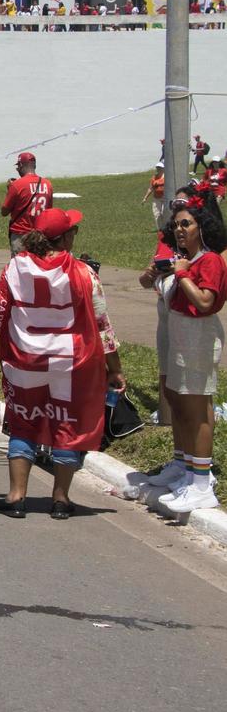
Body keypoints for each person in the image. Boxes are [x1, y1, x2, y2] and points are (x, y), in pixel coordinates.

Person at [0, 208, 122, 519]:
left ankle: (16, 496)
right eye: (72, 229)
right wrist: (115, 368)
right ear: (64, 237)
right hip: (72, 363)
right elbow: (103, 326)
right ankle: (61, 499)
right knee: (68, 426)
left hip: (26, 362)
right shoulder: (84, 273)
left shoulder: (14, 268)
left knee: (24, 422)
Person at [137, 193, 226, 512]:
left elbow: (204, 302)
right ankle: (187, 469)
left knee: (197, 407)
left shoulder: (209, 260)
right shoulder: (184, 259)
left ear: (201, 227)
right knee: (181, 404)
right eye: (176, 225)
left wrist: (184, 273)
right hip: (180, 332)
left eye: (186, 224)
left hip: (197, 335)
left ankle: (202, 482)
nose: (179, 230)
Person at [0, 152, 53, 253]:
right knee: (39, 266)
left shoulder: (16, 185)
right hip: (40, 236)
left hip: (21, 235)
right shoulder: (48, 184)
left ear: (21, 165)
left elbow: (4, 212)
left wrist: (9, 190)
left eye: (18, 167)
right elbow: (48, 212)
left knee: (21, 267)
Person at [142, 162, 168, 229]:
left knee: (164, 212)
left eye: (160, 168)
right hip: (156, 198)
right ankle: (160, 229)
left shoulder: (167, 177)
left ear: (163, 169)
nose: (158, 169)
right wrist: (145, 198)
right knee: (157, 214)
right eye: (157, 168)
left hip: (165, 198)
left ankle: (166, 226)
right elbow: (151, 188)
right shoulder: (154, 178)